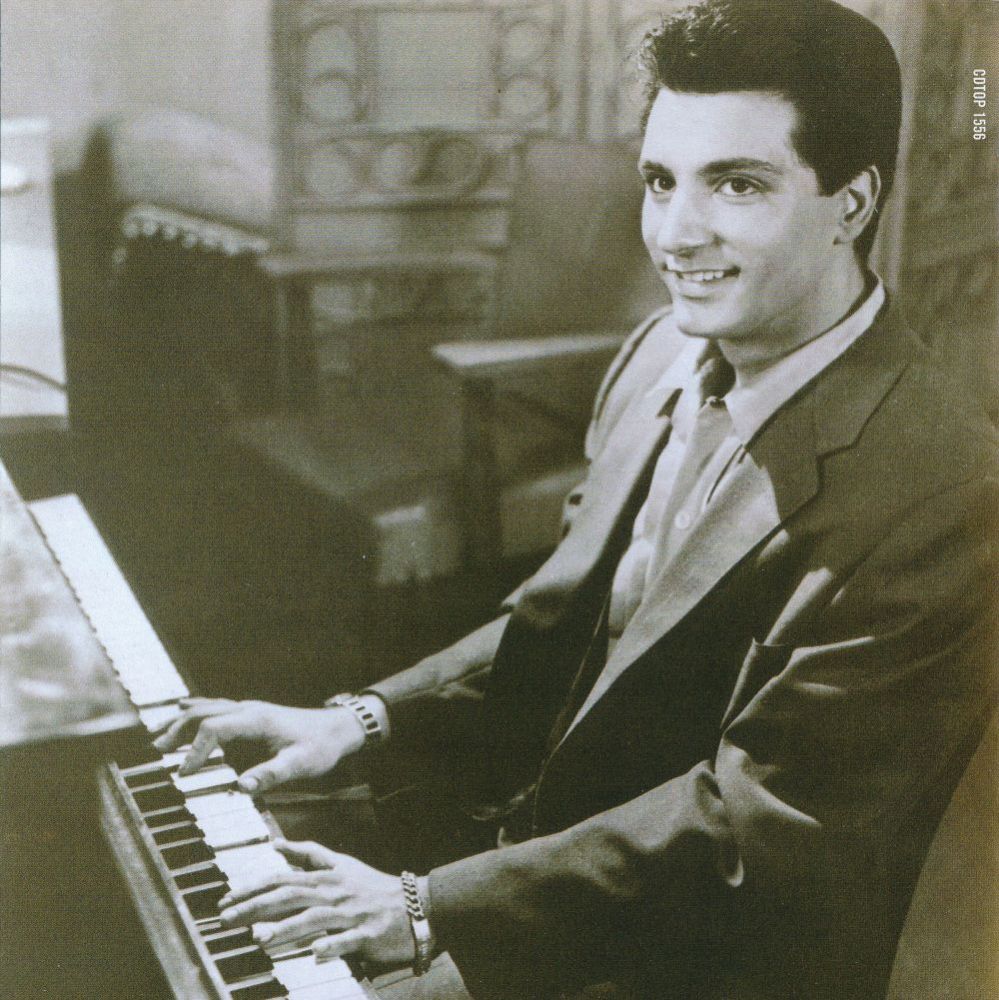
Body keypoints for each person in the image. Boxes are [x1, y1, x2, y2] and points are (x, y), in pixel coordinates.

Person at [155, 2, 997, 997]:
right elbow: (562, 619)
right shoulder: (661, 351)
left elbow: (757, 830)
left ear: (851, 202)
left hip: (694, 955)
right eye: (660, 180)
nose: (676, 235)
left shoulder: (945, 491)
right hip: (542, 864)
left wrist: (426, 909)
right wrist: (362, 721)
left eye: (736, 184)